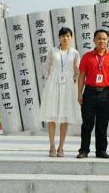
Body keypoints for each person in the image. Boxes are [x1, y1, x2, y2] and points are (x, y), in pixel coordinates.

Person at [76, 29, 109, 159]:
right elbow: (81, 75)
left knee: (102, 124)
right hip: (89, 92)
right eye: (99, 38)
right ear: (94, 40)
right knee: (87, 123)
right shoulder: (87, 56)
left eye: (104, 39)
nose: (102, 41)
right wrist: (79, 93)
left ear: (108, 41)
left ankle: (101, 150)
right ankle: (84, 150)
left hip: (106, 93)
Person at [39, 27, 80, 157]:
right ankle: (52, 146)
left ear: (71, 38)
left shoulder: (74, 53)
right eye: (62, 36)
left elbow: (77, 69)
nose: (65, 38)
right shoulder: (53, 51)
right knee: (51, 116)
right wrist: (49, 80)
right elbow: (47, 67)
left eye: (67, 36)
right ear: (59, 38)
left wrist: (73, 80)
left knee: (64, 117)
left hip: (67, 86)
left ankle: (61, 147)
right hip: (53, 85)